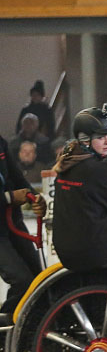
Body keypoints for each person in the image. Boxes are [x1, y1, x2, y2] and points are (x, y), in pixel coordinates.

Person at [52, 105, 107, 271]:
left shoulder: (65, 165)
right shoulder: (98, 169)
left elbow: (86, 197)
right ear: (85, 139)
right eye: (100, 137)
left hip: (65, 251)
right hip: (92, 250)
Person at [0, 134, 46, 316]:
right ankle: (6, 330)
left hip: (11, 221)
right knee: (22, 281)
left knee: (39, 277)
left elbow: (15, 175)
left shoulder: (1, 142)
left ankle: (28, 329)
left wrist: (35, 196)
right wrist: (9, 197)